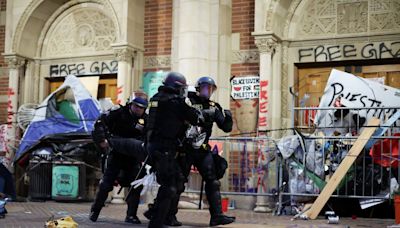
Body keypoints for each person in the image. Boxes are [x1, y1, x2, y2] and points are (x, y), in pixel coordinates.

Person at [168, 76, 235, 226]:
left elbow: (226, 127)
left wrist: (228, 117)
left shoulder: (213, 106)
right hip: (185, 148)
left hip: (203, 150)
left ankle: (217, 216)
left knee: (213, 181)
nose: (208, 91)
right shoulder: (187, 101)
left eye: (211, 89)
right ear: (198, 88)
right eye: (205, 88)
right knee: (178, 182)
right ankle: (169, 215)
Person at [146, 72, 203, 228]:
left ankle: (157, 215)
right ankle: (156, 223)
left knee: (174, 180)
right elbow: (196, 118)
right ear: (176, 87)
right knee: (170, 186)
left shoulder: (155, 98)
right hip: (164, 148)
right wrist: (189, 105)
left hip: (154, 146)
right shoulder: (175, 102)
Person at [89, 91, 148, 224]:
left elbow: (149, 136)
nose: (138, 109)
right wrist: (102, 140)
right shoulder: (118, 113)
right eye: (136, 106)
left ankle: (131, 215)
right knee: (106, 184)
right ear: (131, 104)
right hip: (116, 153)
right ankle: (95, 210)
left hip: (133, 157)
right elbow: (100, 123)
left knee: (136, 185)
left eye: (141, 107)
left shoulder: (147, 119)